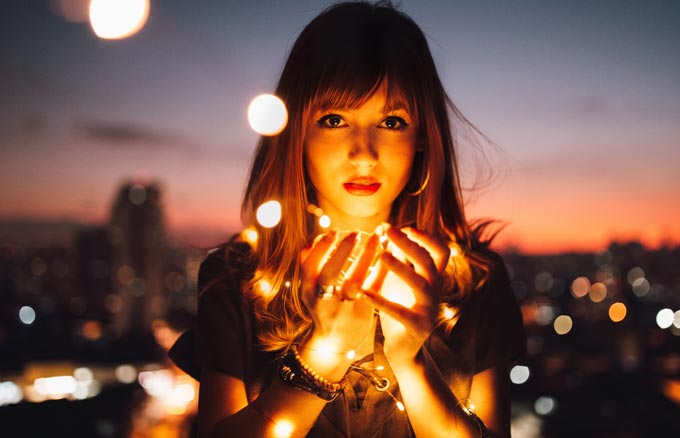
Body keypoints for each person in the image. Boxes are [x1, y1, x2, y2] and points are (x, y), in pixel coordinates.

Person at [169, 2, 525, 437]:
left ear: (423, 139)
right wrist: (322, 355)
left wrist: (411, 362)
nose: (364, 154)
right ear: (297, 133)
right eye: (334, 119)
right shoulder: (239, 281)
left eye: (392, 121)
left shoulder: (474, 286)